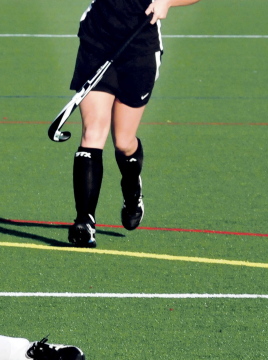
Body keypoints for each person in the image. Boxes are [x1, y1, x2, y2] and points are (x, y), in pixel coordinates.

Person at [66, 0, 200, 248]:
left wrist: (168, 2)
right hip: (97, 40)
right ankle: (84, 223)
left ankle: (132, 189)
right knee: (93, 131)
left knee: (124, 142)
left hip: (140, 44)